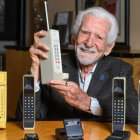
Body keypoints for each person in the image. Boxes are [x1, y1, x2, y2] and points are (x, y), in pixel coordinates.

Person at [16, 7, 138, 123]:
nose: (89, 43)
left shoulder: (121, 70)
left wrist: (90, 104)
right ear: (74, 38)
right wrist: (35, 73)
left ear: (109, 48)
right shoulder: (52, 66)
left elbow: (134, 113)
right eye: (85, 32)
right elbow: (25, 120)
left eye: (99, 37)